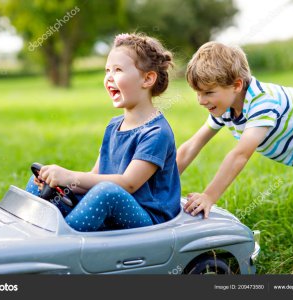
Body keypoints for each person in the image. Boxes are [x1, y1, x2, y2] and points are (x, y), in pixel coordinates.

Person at [177, 41, 293, 239]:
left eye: (209, 92)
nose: (201, 101)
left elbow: (240, 155)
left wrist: (210, 196)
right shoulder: (224, 107)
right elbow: (193, 144)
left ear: (237, 85)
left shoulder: (263, 103)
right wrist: (161, 182)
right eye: (198, 93)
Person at [26, 33, 181, 232]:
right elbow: (94, 176)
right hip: (110, 206)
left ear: (148, 78)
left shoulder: (156, 132)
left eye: (118, 70)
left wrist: (69, 175)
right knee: (38, 182)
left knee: (107, 192)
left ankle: (64, 244)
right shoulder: (113, 126)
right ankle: (34, 235)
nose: (109, 77)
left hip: (148, 221)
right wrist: (61, 183)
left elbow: (128, 184)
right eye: (107, 70)